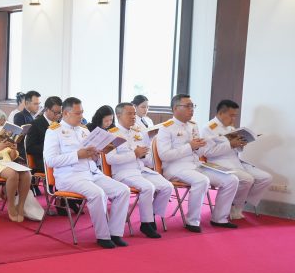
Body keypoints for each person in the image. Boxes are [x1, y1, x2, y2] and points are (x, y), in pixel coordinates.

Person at [44, 97, 131, 248]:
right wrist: (78, 155)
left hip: (91, 172)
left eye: (82, 112)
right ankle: (103, 236)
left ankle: (115, 233)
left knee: (123, 190)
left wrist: (97, 154)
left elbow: (91, 156)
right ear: (66, 113)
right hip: (69, 176)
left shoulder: (84, 130)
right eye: (78, 113)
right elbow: (51, 160)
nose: (81, 116)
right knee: (98, 194)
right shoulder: (54, 131)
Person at [156, 94, 239, 232]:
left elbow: (200, 152)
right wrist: (190, 146)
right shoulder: (166, 128)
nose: (192, 109)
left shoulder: (193, 125)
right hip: (176, 167)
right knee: (202, 181)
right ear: (176, 108)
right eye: (188, 106)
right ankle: (192, 221)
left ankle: (219, 218)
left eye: (192, 106)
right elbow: (164, 155)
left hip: (196, 165)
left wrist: (200, 147)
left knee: (231, 180)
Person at [106, 103, 172, 238]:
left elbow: (146, 157)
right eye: (129, 114)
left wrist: (143, 155)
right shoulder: (113, 134)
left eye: (134, 114)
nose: (133, 117)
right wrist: (134, 154)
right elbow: (110, 159)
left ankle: (151, 215)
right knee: (148, 187)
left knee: (167, 186)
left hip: (140, 169)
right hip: (124, 172)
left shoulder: (138, 131)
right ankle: (146, 223)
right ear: (118, 116)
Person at [200, 99, 272, 219]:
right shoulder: (208, 128)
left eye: (235, 116)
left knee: (266, 178)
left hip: (236, 162)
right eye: (231, 115)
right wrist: (231, 144)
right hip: (218, 163)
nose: (234, 119)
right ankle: (234, 206)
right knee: (247, 179)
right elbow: (208, 153)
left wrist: (240, 145)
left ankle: (239, 203)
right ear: (221, 113)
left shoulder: (230, 128)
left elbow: (235, 150)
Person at [25, 96, 62, 173]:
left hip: (58, 157)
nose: (58, 115)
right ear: (46, 109)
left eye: (59, 113)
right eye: (55, 112)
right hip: (43, 160)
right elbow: (30, 148)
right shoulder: (36, 124)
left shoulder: (59, 124)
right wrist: (49, 146)